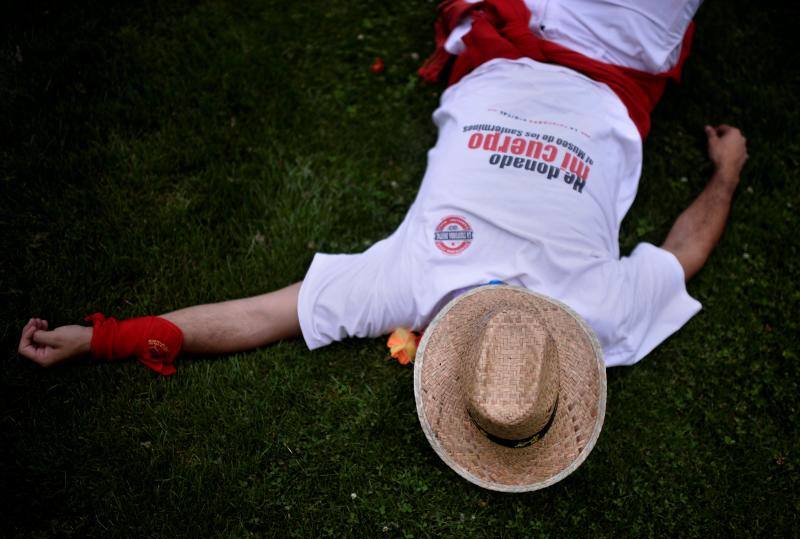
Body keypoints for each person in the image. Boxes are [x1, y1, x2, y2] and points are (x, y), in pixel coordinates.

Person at [18, 0, 748, 373]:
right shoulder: (599, 322)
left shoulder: (408, 287)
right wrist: (728, 171)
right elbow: (679, 256)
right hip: (622, 52)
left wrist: (104, 340)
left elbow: (258, 317)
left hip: (506, 29)